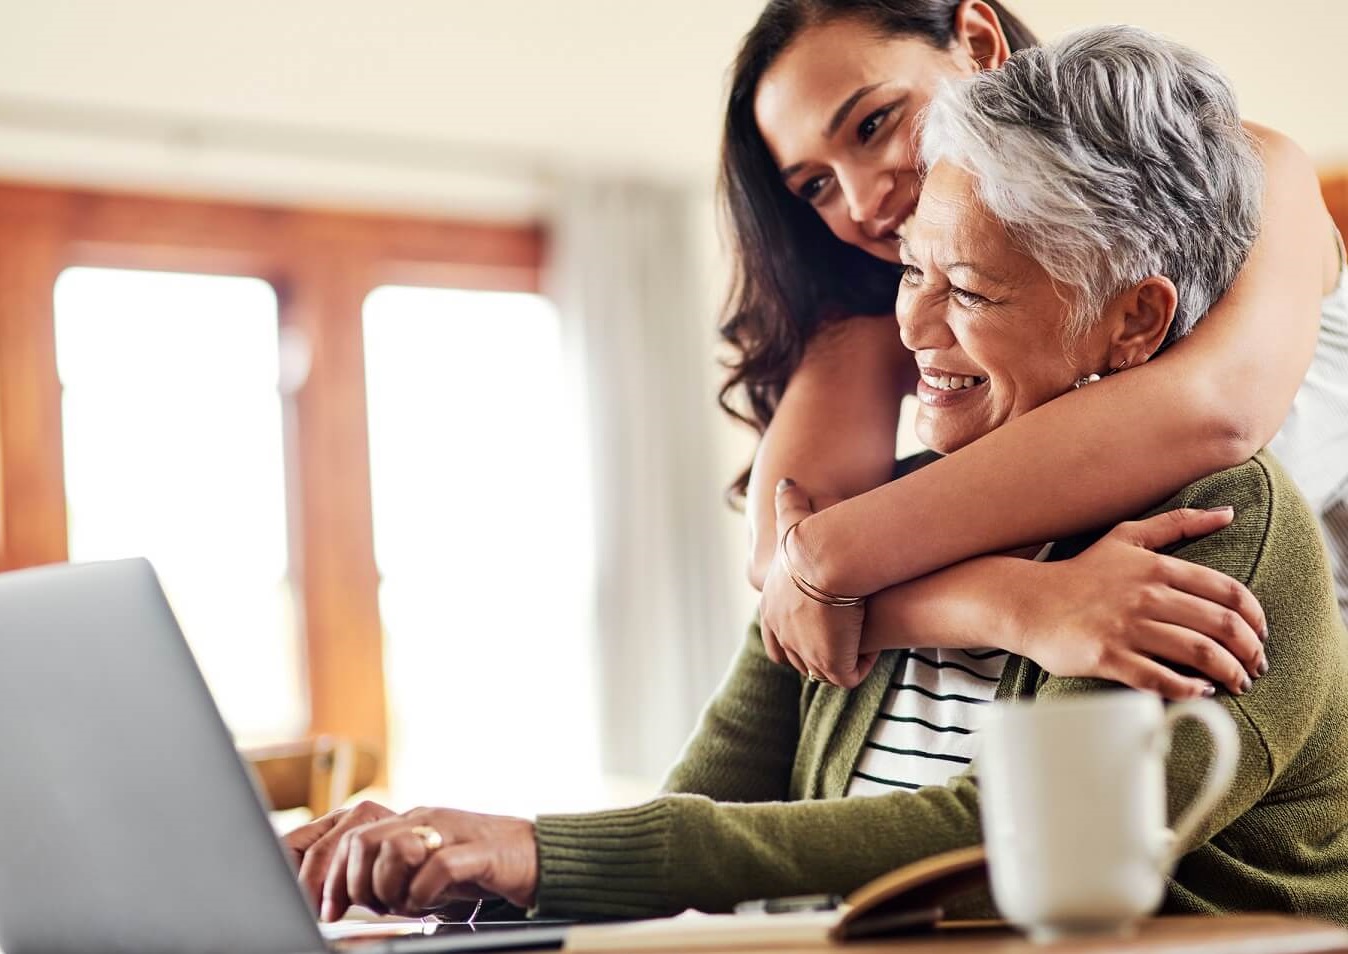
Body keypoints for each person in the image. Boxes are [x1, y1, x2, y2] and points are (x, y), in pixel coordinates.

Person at [284, 27, 1348, 924]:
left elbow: (997, 843)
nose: (915, 327)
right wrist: (470, 867)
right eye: (912, 270)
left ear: (1133, 323)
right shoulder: (896, 506)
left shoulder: (1217, 524)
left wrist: (537, 853)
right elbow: (709, 797)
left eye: (970, 290)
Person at [724, 0, 1346, 691]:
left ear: (978, 41)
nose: (863, 202)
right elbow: (780, 561)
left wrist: (828, 558)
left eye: (874, 124)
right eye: (817, 185)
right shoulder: (893, 302)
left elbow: (1218, 410)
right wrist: (1014, 605)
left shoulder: (1245, 170)